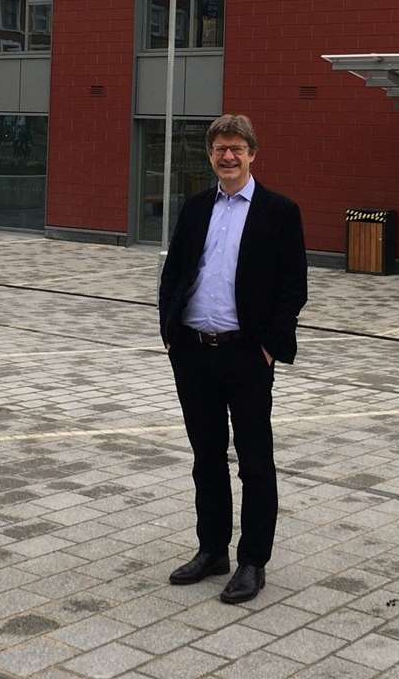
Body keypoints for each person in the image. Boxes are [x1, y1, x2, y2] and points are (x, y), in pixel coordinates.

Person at [158, 113, 307, 604]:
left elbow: (293, 288)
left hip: (247, 355)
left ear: (252, 154)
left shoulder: (279, 211)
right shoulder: (196, 207)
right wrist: (171, 334)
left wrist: (268, 347)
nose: (227, 156)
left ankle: (252, 561)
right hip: (195, 352)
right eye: (220, 148)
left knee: (255, 461)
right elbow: (177, 271)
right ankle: (212, 549)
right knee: (206, 458)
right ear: (211, 155)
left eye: (236, 149)